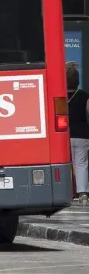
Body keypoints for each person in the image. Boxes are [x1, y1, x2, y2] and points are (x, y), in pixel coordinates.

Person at [67, 62, 89, 206]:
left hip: (63, 137)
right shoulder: (84, 95)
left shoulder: (58, 95)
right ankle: (83, 194)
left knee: (65, 165)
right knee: (81, 164)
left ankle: (66, 192)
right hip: (82, 135)